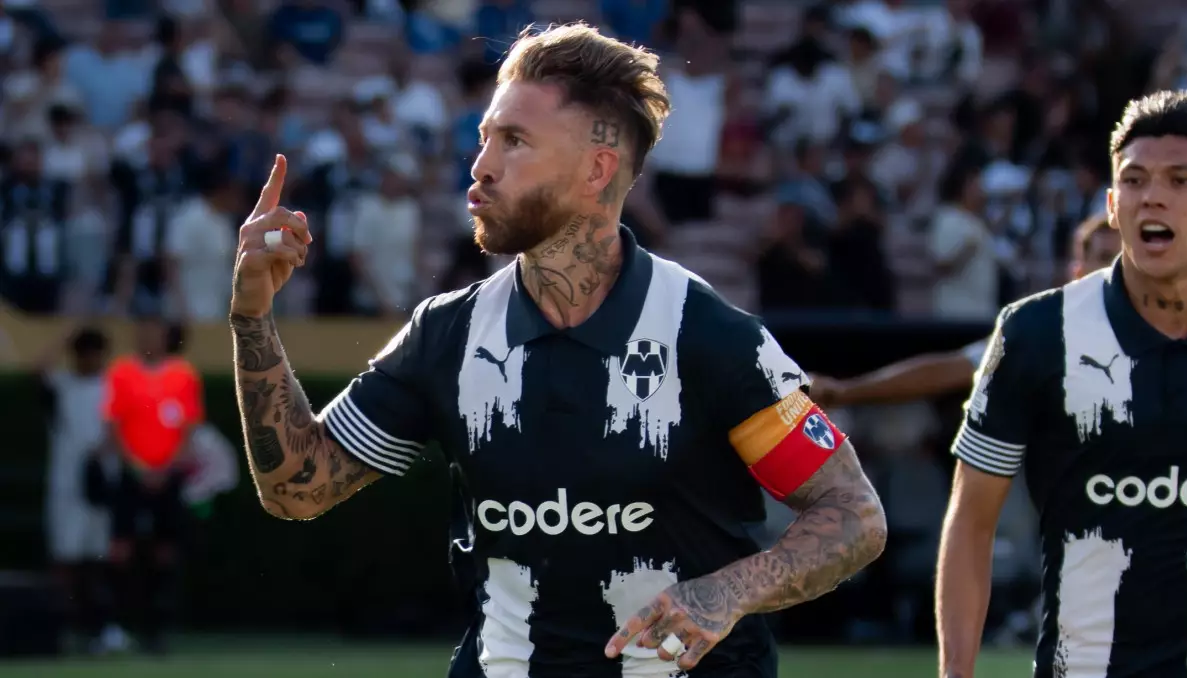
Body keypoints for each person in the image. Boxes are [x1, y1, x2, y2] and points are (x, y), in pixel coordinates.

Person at [228, 23, 887, 677]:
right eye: (485, 138)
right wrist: (253, 316)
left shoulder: (709, 335)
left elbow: (854, 515)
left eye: (514, 142)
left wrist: (726, 592)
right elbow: (296, 488)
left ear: (597, 169)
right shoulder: (447, 335)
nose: (481, 166)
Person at [938, 89, 1187, 678]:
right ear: (1112, 205)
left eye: (1181, 180)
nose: (1153, 196)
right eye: (1134, 180)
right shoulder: (1037, 333)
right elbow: (971, 522)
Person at [808, 214, 1122, 408]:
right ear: (1078, 271)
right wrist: (847, 392)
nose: (1116, 268)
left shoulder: (1153, 329)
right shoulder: (1046, 330)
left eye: (1125, 257)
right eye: (1106, 257)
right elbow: (952, 369)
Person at [102, 311, 204, 653]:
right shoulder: (121, 372)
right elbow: (113, 425)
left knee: (165, 552)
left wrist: (165, 469)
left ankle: (157, 629)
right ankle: (114, 626)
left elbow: (189, 429)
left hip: (168, 478)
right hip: (131, 477)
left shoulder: (183, 375)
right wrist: (138, 467)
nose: (148, 337)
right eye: (143, 330)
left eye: (155, 330)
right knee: (121, 549)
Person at [37, 324, 125, 653]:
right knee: (65, 560)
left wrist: (105, 451)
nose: (92, 360)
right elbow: (38, 369)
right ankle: (59, 629)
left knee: (98, 561)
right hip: (66, 488)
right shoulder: (63, 385)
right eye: (85, 354)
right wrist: (65, 336)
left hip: (101, 489)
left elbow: (121, 429)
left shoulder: (113, 387)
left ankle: (99, 629)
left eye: (96, 354)